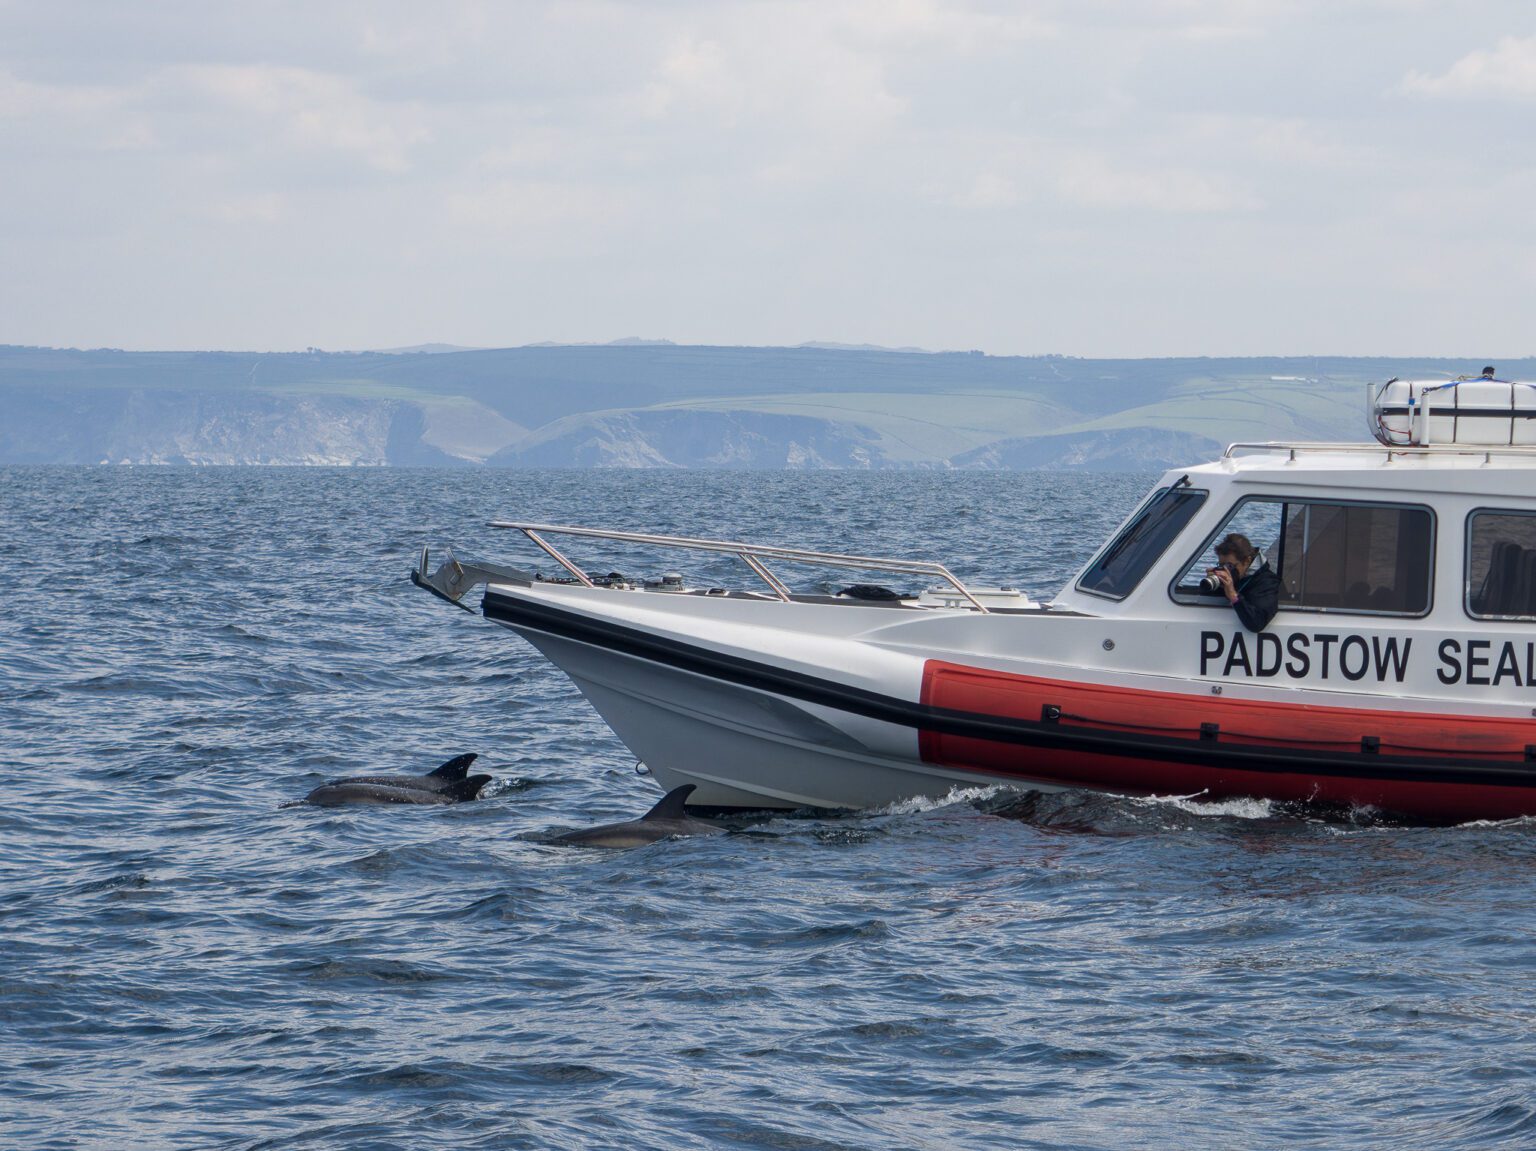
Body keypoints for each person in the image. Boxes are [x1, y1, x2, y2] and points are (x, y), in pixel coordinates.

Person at [1204, 533, 1280, 632]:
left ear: (1247, 561)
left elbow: (1257, 624)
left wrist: (1233, 595)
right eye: (1221, 565)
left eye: (1230, 566)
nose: (1225, 570)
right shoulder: (1236, 577)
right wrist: (1214, 583)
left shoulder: (1267, 583)